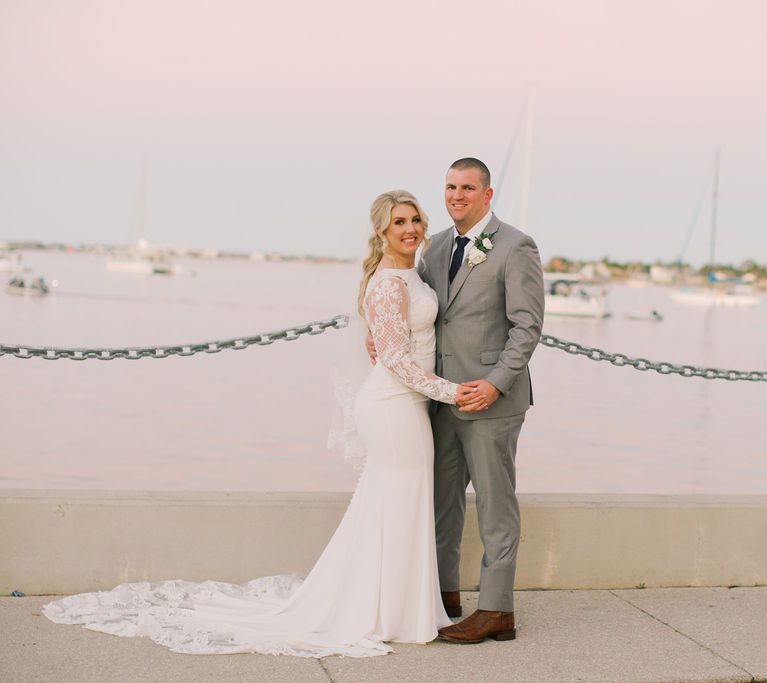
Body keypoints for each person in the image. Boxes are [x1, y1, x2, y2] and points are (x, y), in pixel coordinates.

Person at [42, 190, 478, 658]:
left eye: (415, 219)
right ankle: (383, 610)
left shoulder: (411, 273)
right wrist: (455, 392)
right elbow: (393, 359)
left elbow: (402, 342)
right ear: (381, 231)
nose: (410, 228)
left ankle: (400, 608)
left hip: (410, 405)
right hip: (393, 405)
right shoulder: (388, 283)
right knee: (396, 501)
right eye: (399, 222)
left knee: (399, 503)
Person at [421, 157, 545, 643]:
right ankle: (444, 595)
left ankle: (496, 609)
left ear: (487, 195)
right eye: (450, 187)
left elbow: (527, 326)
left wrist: (495, 382)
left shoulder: (516, 246)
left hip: (492, 399)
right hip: (442, 396)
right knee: (441, 502)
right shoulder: (433, 249)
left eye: (467, 188)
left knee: (495, 504)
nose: (456, 196)